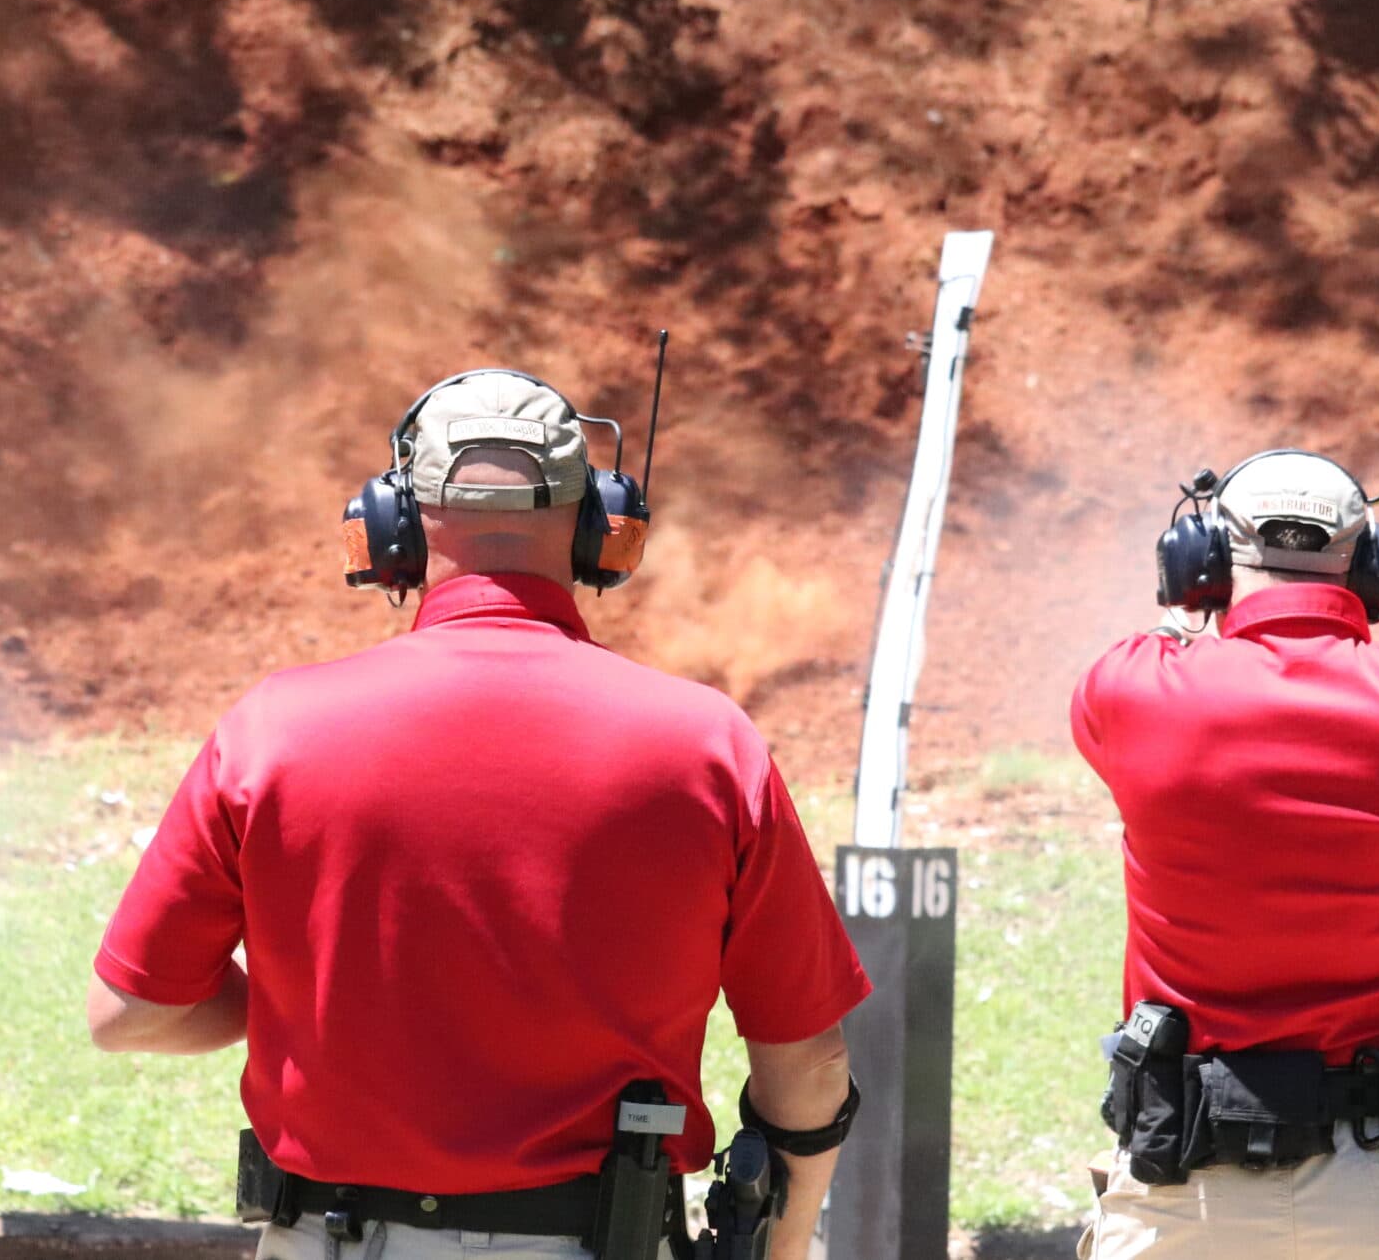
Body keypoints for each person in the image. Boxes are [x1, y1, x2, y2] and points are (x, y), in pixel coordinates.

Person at [88, 370, 870, 1260]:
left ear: (389, 525)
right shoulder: (709, 747)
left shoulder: (271, 731)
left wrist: (298, 995)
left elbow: (132, 1012)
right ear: (599, 527)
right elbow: (808, 1065)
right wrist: (782, 1244)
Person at [1071, 448, 1379, 1260]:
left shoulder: (1135, 689)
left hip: (1187, 1199)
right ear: (1375, 569)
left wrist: (1199, 612)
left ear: (1201, 562)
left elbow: (1160, 661)